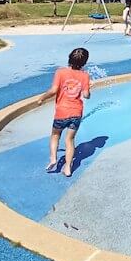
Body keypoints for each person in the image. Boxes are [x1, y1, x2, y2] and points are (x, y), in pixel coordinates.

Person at [36, 47, 91, 177]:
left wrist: (41, 98)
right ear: (84, 62)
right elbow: (86, 95)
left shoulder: (60, 72)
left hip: (62, 112)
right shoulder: (85, 76)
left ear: (69, 58)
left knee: (55, 135)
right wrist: (88, 88)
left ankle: (54, 158)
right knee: (70, 140)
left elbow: (54, 90)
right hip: (76, 113)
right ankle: (67, 168)